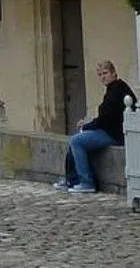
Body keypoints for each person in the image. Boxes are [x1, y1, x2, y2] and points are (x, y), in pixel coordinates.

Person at [57, 60, 135, 195]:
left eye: (105, 73)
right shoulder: (113, 89)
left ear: (114, 73)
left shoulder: (118, 90)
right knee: (76, 139)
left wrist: (86, 126)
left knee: (77, 141)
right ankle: (72, 179)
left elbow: (106, 118)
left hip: (115, 134)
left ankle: (86, 182)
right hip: (108, 130)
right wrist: (87, 126)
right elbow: (104, 117)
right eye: (100, 75)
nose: (103, 77)